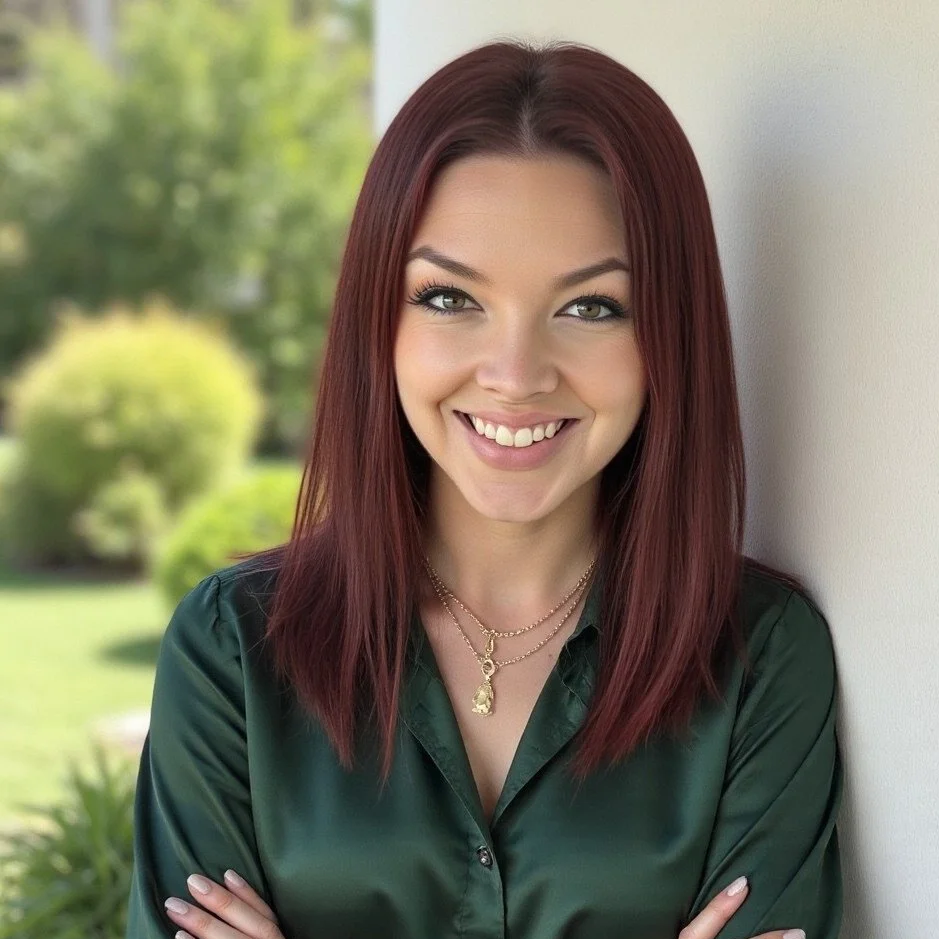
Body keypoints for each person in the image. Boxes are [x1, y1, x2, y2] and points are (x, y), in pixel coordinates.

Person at [125, 38, 843, 939]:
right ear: (376, 317)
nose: (513, 374)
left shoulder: (761, 659)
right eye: (448, 298)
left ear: (669, 333)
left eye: (590, 306)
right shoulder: (231, 649)